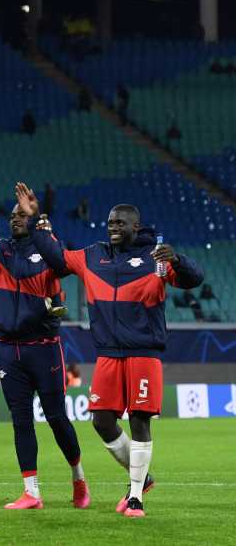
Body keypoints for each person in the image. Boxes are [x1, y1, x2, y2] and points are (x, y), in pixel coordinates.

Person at [25, 187, 203, 518]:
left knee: (139, 420)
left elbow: (195, 279)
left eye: (120, 222)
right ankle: (142, 478)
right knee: (102, 421)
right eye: (110, 222)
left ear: (136, 227)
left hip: (143, 353)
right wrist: (36, 219)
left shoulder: (155, 258)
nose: (113, 226)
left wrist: (177, 259)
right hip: (108, 354)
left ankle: (135, 497)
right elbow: (57, 257)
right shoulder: (93, 255)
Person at [0, 157, 89, 510]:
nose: (14, 218)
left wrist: (40, 218)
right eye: (12, 214)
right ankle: (32, 492)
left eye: (21, 214)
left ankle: (79, 479)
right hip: (8, 349)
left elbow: (60, 262)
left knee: (58, 419)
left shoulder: (47, 250)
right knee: (21, 420)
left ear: (33, 219)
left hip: (43, 348)